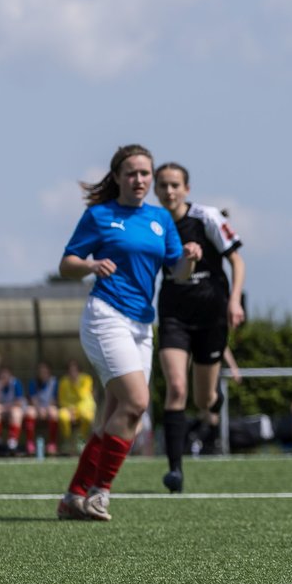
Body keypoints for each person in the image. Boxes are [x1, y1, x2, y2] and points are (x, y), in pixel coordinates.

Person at [56, 144, 199, 521]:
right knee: (136, 401)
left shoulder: (160, 219)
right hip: (106, 316)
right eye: (132, 173)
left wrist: (188, 257)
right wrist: (89, 264)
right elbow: (66, 264)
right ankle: (100, 493)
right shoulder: (100, 215)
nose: (139, 180)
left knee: (118, 414)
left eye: (145, 173)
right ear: (118, 177)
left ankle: (73, 496)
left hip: (141, 324)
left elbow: (178, 272)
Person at [153, 162, 246, 493]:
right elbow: (174, 273)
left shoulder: (207, 217)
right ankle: (175, 471)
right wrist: (187, 260)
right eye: (162, 185)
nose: (169, 191)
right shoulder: (155, 224)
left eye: (175, 185)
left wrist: (234, 301)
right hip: (174, 314)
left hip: (211, 314)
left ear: (186, 189)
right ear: (156, 189)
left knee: (204, 399)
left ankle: (211, 400)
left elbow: (237, 260)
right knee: (176, 388)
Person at [57, 359, 97, 451]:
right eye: (70, 370)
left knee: (87, 417)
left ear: (79, 371)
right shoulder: (63, 382)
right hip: (69, 409)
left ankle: (81, 440)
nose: (72, 373)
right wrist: (69, 409)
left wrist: (75, 383)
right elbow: (61, 400)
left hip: (84, 409)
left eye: (75, 370)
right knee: (62, 416)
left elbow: (82, 395)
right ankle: (67, 441)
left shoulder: (86, 379)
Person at [26, 362, 60, 455]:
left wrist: (47, 408)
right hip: (38, 408)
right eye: (41, 371)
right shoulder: (33, 382)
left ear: (49, 372)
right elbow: (32, 399)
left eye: (45, 371)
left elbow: (55, 399)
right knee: (30, 412)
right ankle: (30, 442)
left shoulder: (54, 382)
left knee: (53, 412)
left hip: (49, 407)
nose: (43, 373)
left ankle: (52, 443)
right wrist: (39, 409)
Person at [0, 365, 26, 456]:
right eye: (2, 376)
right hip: (4, 410)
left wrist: (6, 407)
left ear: (10, 375)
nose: (4, 378)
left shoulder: (15, 383)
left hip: (13, 409)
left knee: (16, 412)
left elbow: (19, 402)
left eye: (6, 375)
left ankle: (12, 443)